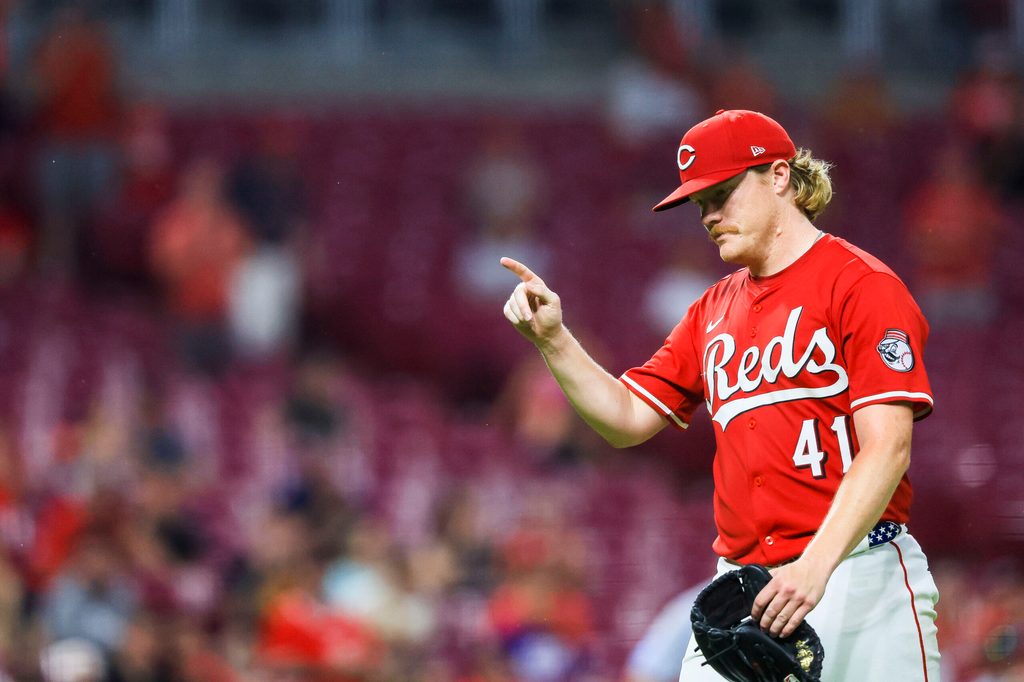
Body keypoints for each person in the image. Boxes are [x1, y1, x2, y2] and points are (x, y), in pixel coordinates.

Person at [500, 109, 940, 680]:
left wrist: (814, 566)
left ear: (779, 176)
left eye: (722, 193)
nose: (709, 215)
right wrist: (555, 341)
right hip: (741, 593)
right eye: (699, 203)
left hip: (860, 574)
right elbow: (628, 418)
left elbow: (888, 449)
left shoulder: (861, 286)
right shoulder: (711, 310)